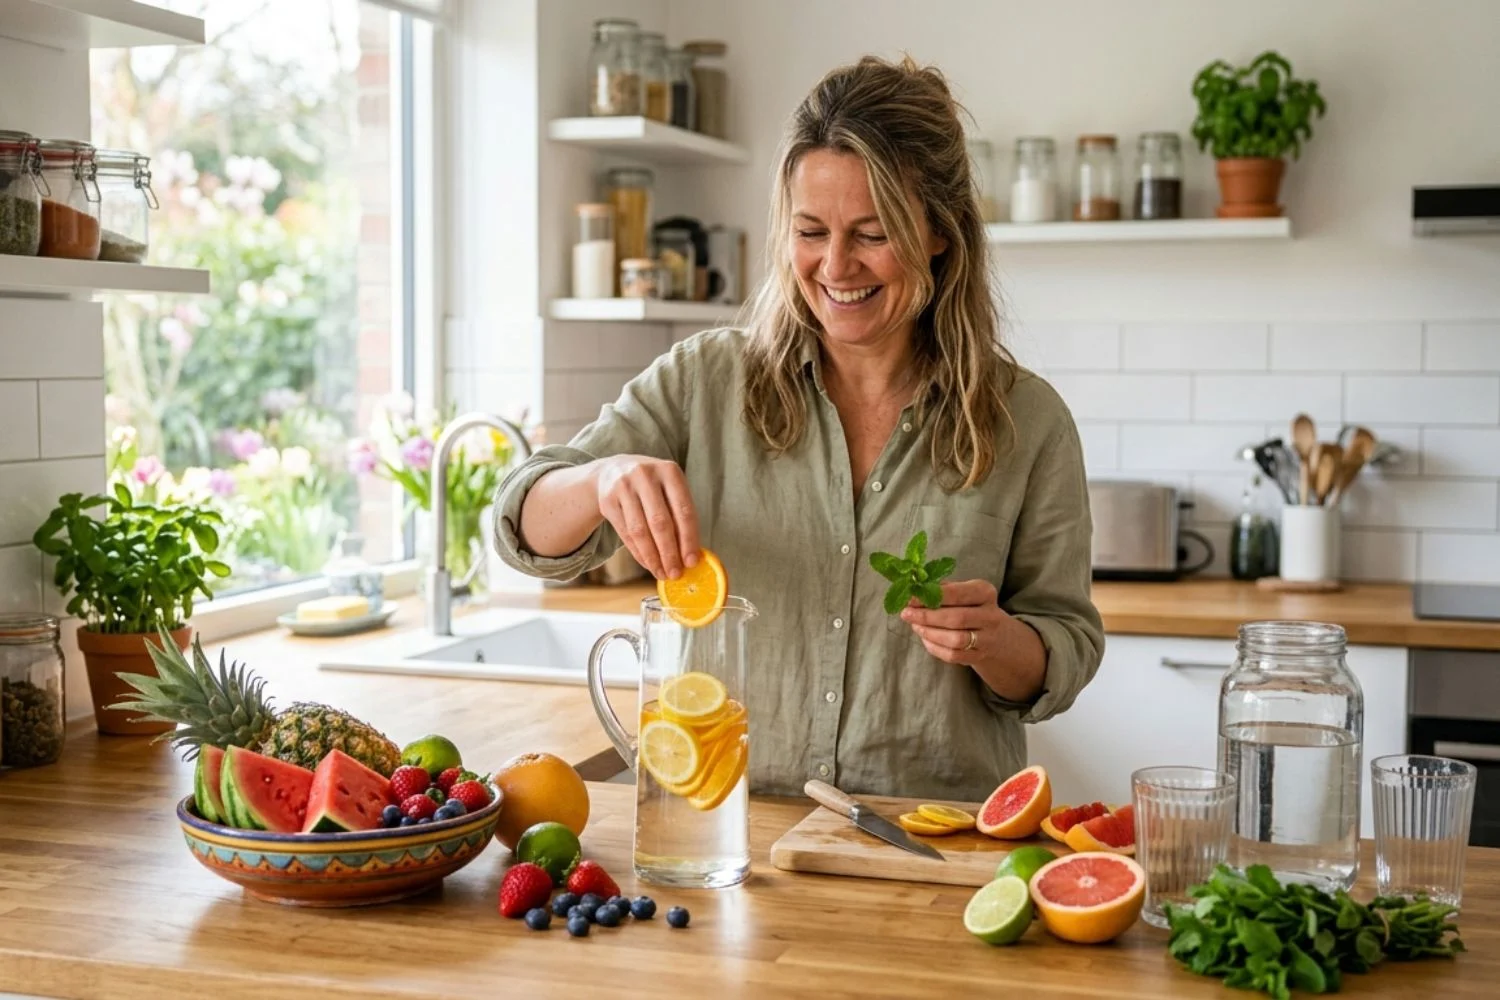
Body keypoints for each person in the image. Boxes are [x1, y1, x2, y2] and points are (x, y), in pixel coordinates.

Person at [493, 55, 1104, 801]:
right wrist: (600, 478)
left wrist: (998, 642)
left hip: (929, 849)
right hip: (730, 837)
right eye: (811, 230)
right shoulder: (704, 381)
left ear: (940, 232)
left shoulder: (1026, 421)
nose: (835, 266)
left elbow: (1065, 649)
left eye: (872, 234)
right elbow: (522, 525)